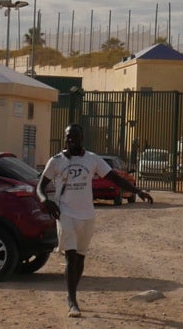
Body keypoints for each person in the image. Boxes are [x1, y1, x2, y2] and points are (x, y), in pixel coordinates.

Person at [38, 124, 153, 318]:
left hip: (87, 215)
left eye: (74, 137)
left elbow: (114, 178)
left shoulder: (92, 159)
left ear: (82, 138)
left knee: (81, 257)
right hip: (65, 213)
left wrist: (137, 191)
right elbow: (40, 187)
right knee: (71, 256)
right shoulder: (56, 161)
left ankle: (73, 291)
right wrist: (45, 201)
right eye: (67, 137)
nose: (70, 141)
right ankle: (72, 300)